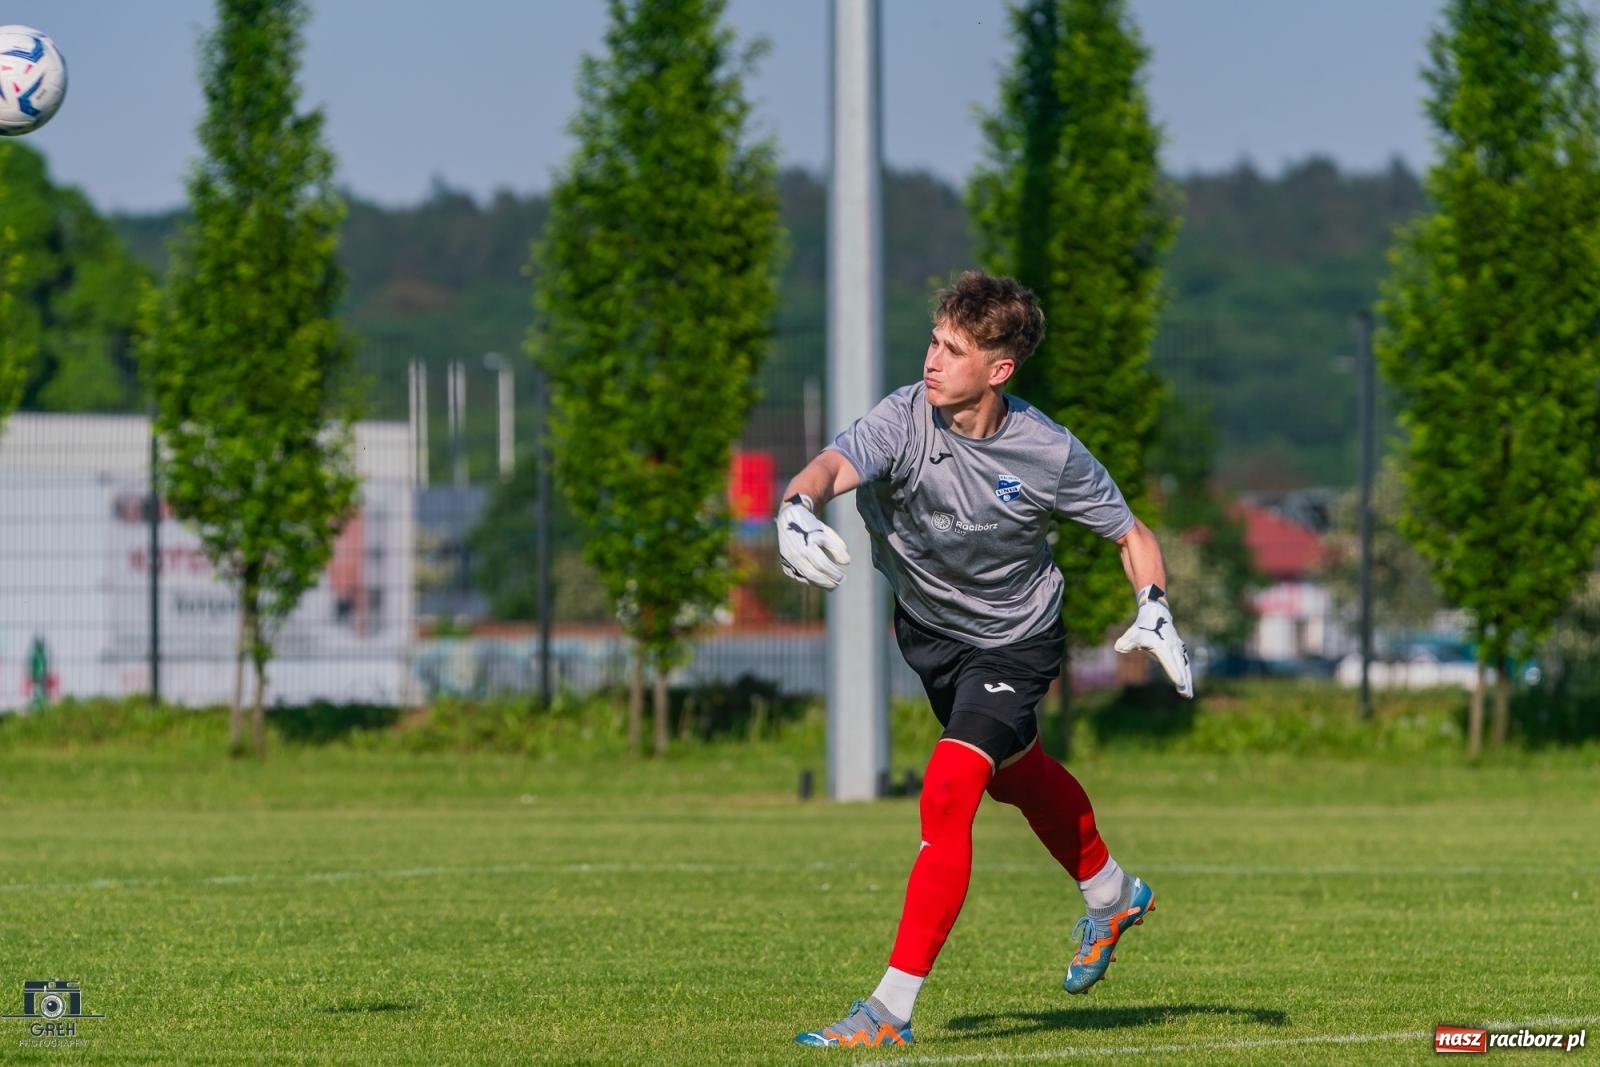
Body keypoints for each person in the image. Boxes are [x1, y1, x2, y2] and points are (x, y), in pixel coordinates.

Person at [778, 270, 1193, 1049]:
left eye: (953, 349)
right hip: (931, 635)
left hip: (1016, 638)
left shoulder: (1049, 452)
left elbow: (1131, 534)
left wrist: (1156, 606)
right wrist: (794, 507)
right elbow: (830, 468)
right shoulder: (903, 419)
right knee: (1017, 773)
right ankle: (1113, 894)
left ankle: (887, 1012)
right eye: (934, 341)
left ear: (998, 370)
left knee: (952, 784)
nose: (932, 360)